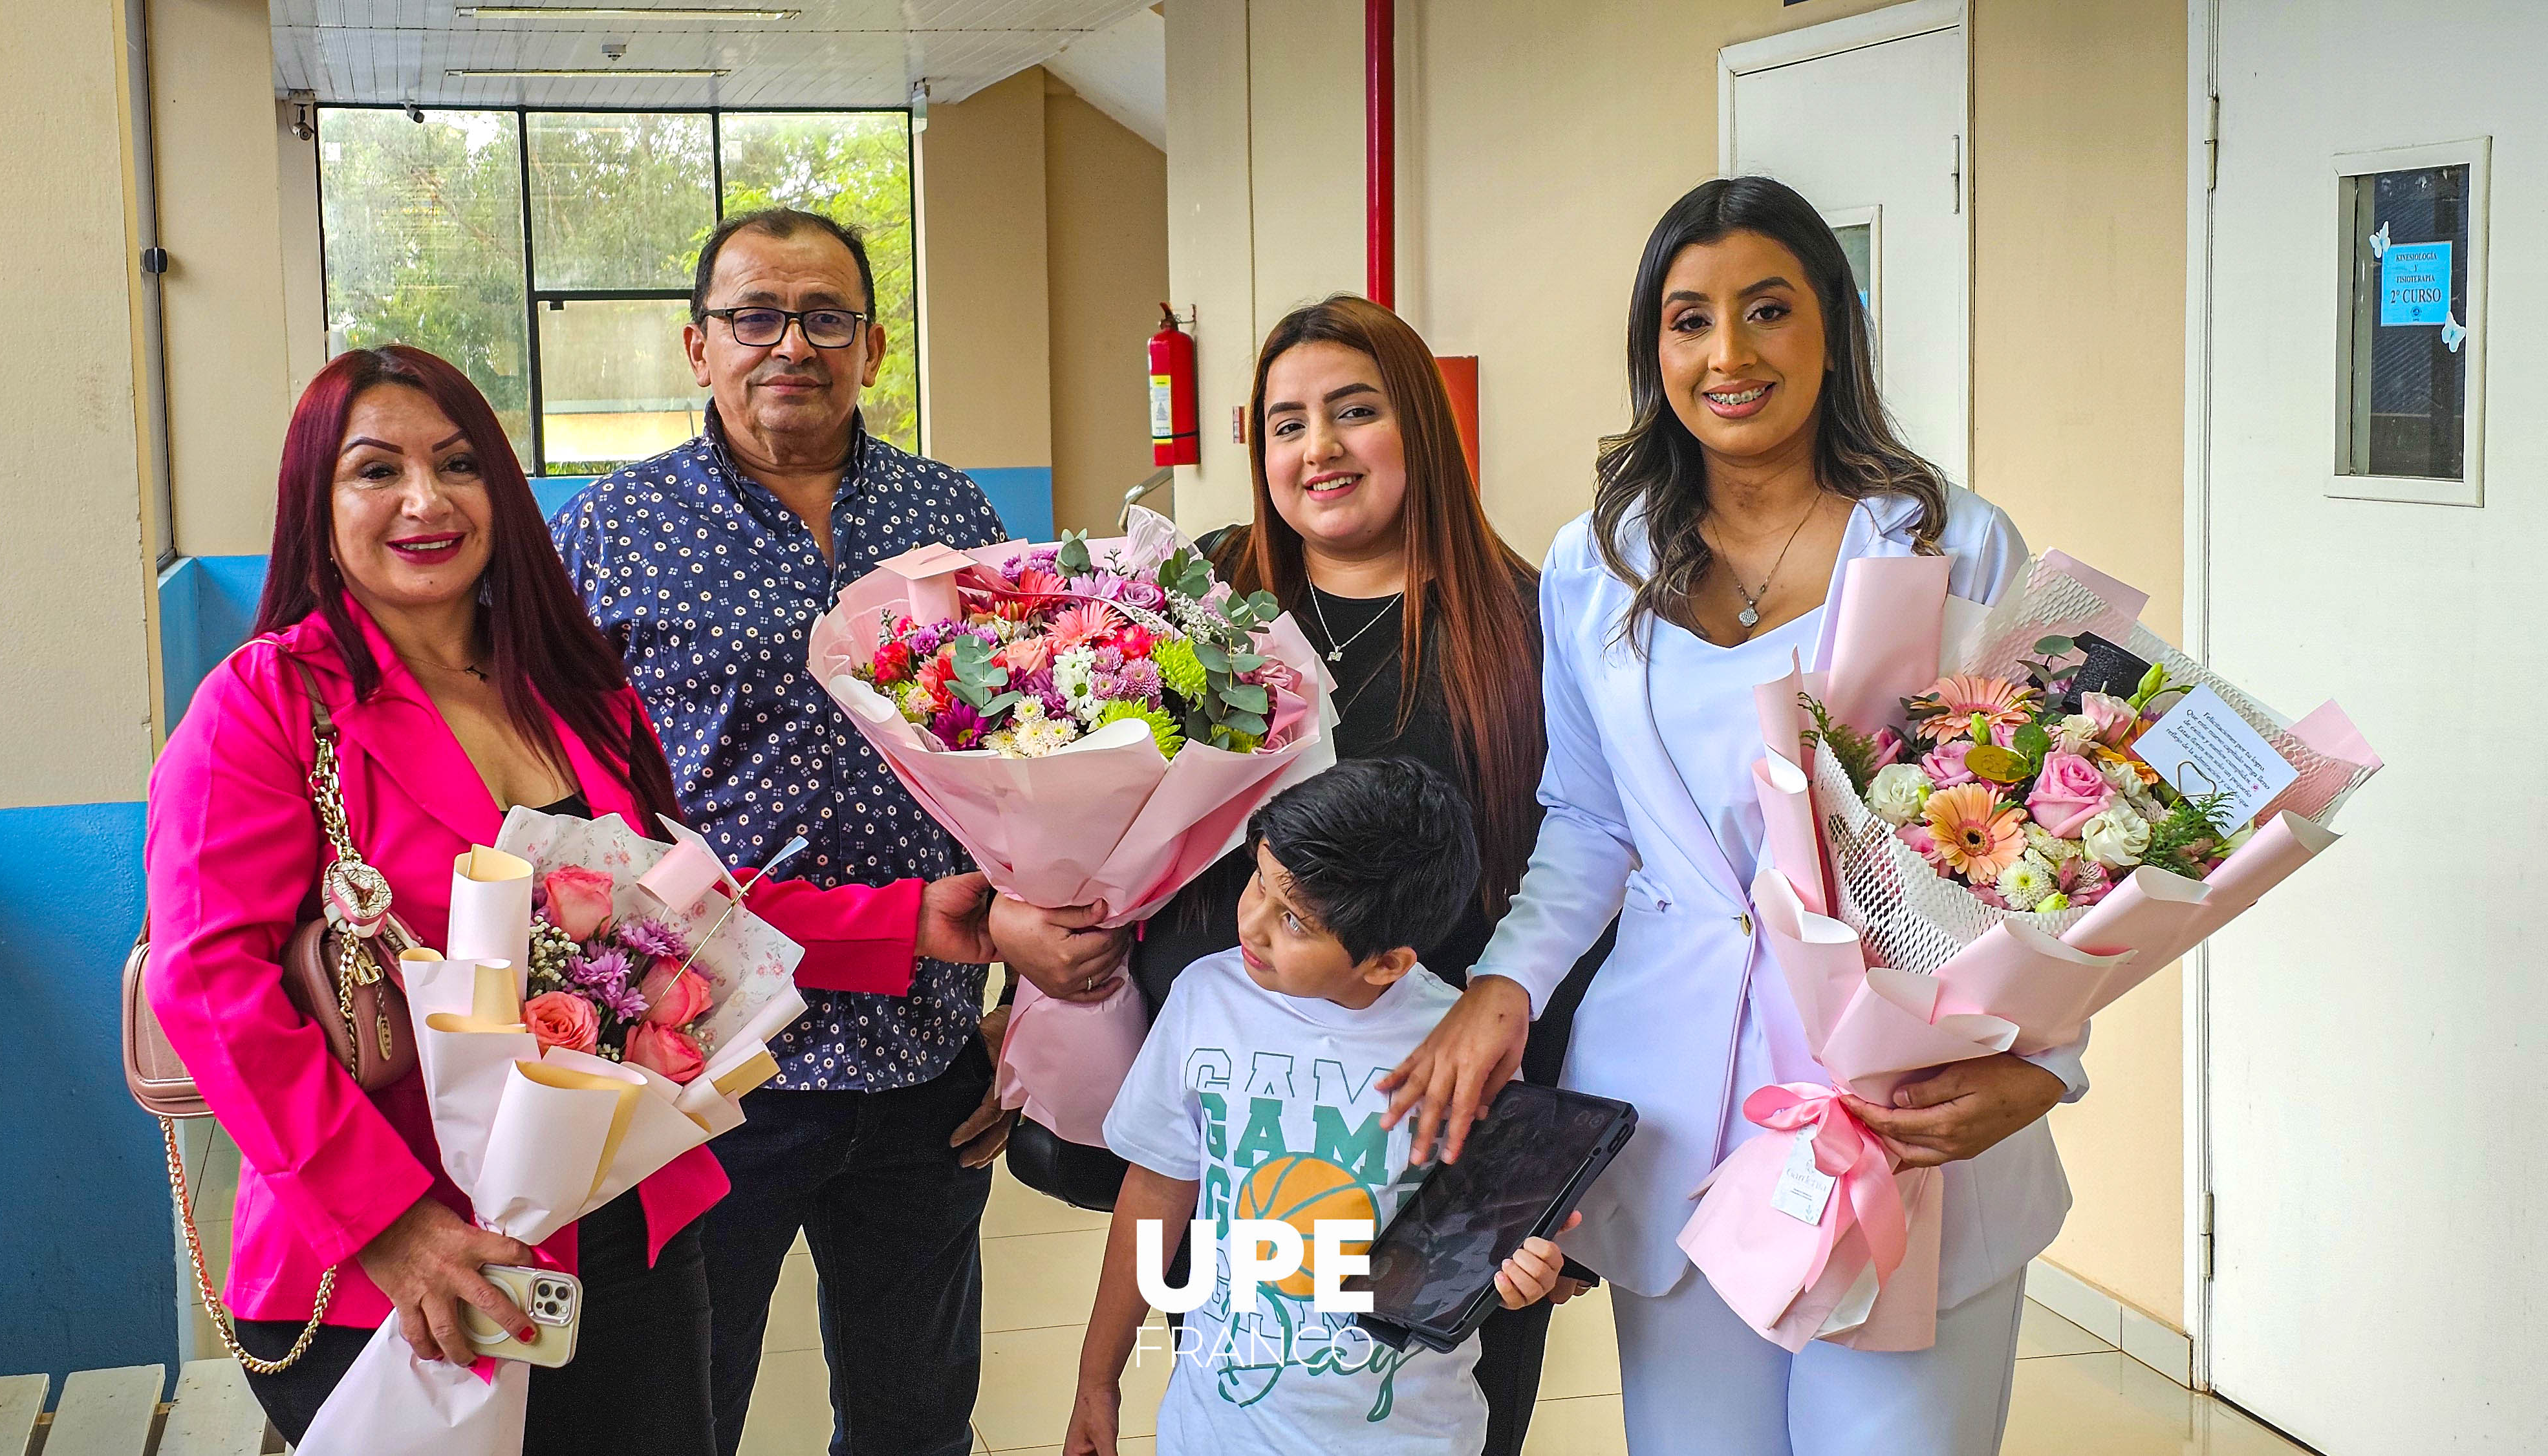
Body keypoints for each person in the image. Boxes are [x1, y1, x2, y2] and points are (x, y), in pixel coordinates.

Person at [146, 345, 993, 1451]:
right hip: (395, 1259)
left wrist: (907, 922)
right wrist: (395, 1228)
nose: (424, 500)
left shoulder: (572, 690)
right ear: (316, 497)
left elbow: (685, 915)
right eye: (374, 470)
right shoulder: (267, 703)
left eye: (458, 463)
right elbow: (209, 985)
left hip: (628, 1225)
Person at [1379, 177, 2089, 1456]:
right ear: (1654, 353)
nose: (1727, 353)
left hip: (1894, 1102)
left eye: (1766, 310)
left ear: (1832, 328)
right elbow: (1587, 823)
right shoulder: (1597, 562)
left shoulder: (1952, 546)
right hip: (1674, 1102)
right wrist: (1505, 987)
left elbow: (2050, 841)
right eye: (1686, 319)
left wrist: (2039, 1065)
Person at [551, 208, 1116, 1456]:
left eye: (825, 317)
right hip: (710, 1066)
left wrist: (1031, 1023)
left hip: (928, 1059)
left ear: (870, 345)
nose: (789, 345)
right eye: (756, 315)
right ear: (698, 347)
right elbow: (571, 819)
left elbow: (1030, 768)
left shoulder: (947, 512)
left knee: (917, 1422)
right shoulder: (607, 537)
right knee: (682, 1415)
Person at [1004, 294, 1612, 1455]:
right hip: (1246, 1116)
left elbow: (1576, 881)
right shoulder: (1195, 606)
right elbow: (1086, 816)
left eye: (1354, 411)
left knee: (1440, 1403)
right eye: (1286, 423)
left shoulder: (1524, 624)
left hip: (1444, 1133)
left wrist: (1546, 1176)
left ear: (1421, 428)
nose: (1317, 448)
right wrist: (1028, 975)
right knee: (1253, 1388)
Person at [1064, 758, 1575, 1456]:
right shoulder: (1203, 1000)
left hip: (1410, 1437)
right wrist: (1098, 1381)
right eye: (1258, 880)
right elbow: (1156, 1187)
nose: (1251, 922)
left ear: (1387, 962)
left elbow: (1488, 1247)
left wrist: (1523, 1274)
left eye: (1295, 919)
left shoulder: (1463, 1050)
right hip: (1213, 1426)